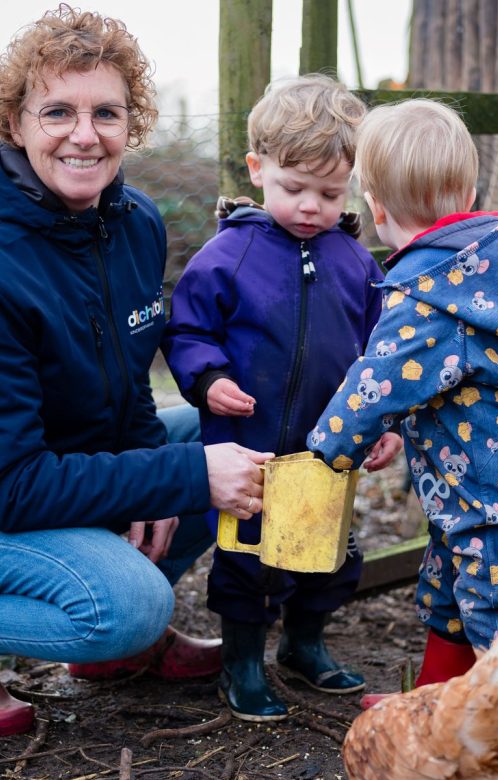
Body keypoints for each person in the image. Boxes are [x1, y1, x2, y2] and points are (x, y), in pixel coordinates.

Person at [0, 5, 273, 738]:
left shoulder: (135, 224)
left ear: (130, 123)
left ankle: (114, 657)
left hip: (45, 468)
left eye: (106, 112)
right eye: (58, 111)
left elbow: (129, 391)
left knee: (214, 433)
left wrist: (161, 467)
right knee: (130, 601)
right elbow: (13, 488)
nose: (85, 135)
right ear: (14, 124)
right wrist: (174, 477)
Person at [305, 98, 498, 752]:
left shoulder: (428, 296)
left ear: (376, 208)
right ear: (470, 191)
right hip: (495, 480)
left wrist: (327, 451)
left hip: (492, 493)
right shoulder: (488, 268)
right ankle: (437, 700)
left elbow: (376, 383)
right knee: (449, 589)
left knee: (494, 611)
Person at [161, 74, 404, 722]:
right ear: (257, 168)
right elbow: (186, 329)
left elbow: (383, 356)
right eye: (294, 188)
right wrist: (209, 380)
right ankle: (242, 663)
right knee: (247, 559)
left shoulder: (357, 265)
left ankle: (304, 643)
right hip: (251, 447)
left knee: (329, 553)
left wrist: (383, 420)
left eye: (329, 193)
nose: (309, 206)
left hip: (329, 450)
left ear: (352, 183)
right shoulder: (227, 255)